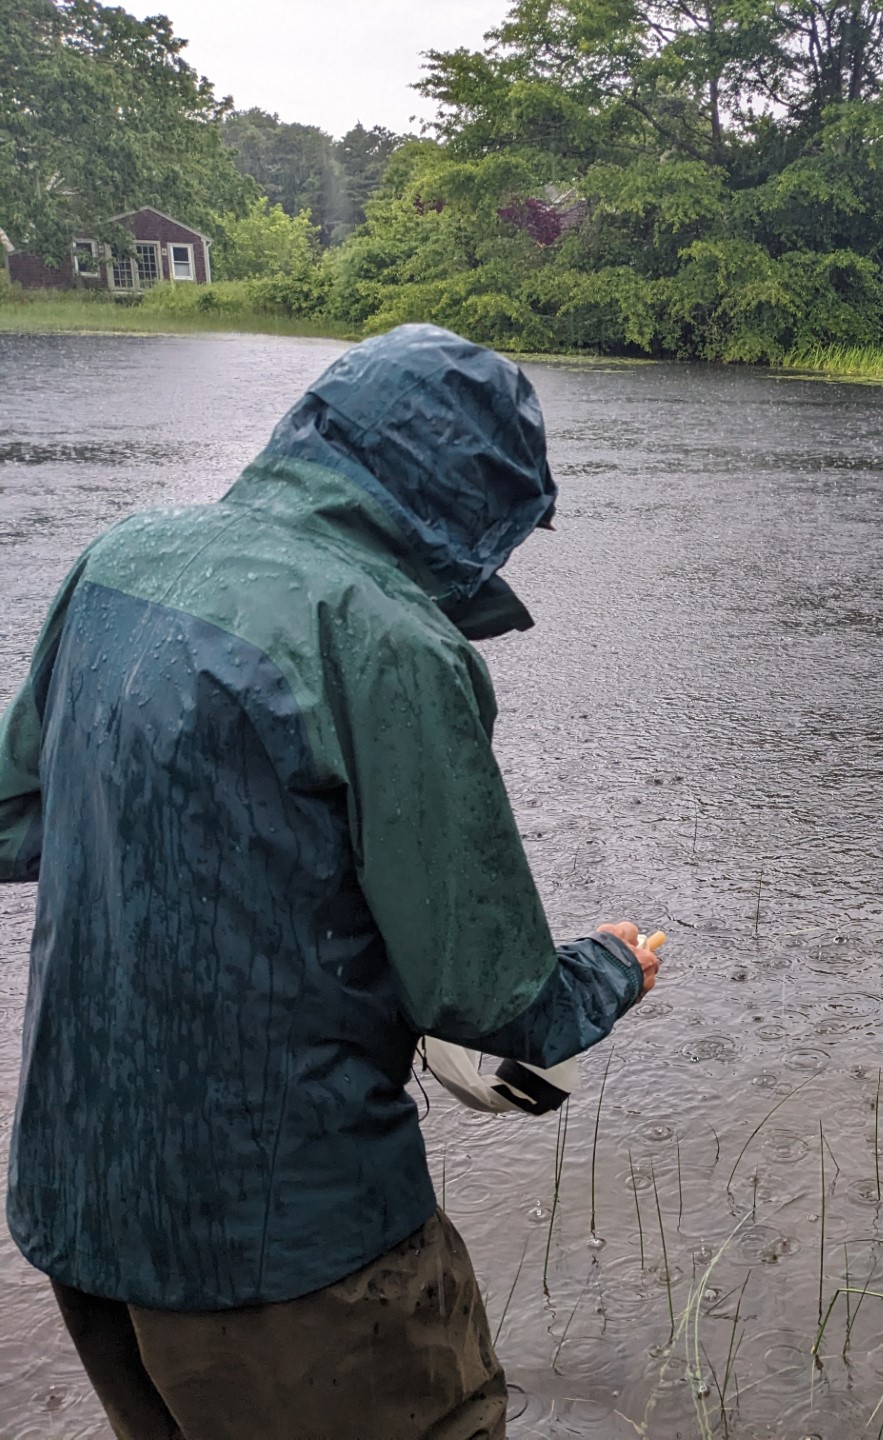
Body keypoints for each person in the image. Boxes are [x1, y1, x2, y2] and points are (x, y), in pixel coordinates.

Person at [0, 325, 662, 1440]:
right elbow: (489, 995)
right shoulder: (387, 639)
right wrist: (611, 970)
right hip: (292, 1255)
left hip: (80, 1213)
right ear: (472, 502)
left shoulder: (122, 554)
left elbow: (16, 817)